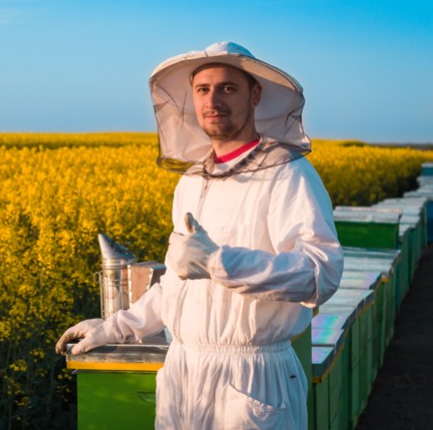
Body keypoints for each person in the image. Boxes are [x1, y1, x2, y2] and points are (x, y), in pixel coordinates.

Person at [56, 41, 343, 429]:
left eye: (228, 88)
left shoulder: (287, 174)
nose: (214, 100)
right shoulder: (192, 182)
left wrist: (219, 262)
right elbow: (177, 285)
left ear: (255, 96)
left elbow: (319, 275)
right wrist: (117, 326)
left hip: (253, 375)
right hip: (184, 370)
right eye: (203, 90)